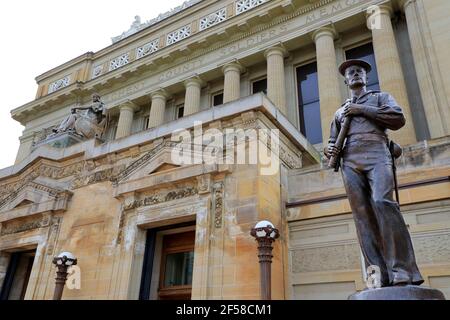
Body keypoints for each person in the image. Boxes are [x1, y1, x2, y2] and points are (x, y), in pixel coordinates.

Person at [324, 59, 424, 287]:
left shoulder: (380, 98)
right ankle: (377, 275)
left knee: (382, 203)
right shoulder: (339, 111)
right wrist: (328, 149)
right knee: (362, 218)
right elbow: (332, 142)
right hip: (350, 159)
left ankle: (402, 270)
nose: (356, 74)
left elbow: (397, 119)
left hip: (377, 152)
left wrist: (360, 109)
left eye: (360, 71)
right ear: (346, 80)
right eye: (351, 72)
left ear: (366, 77)